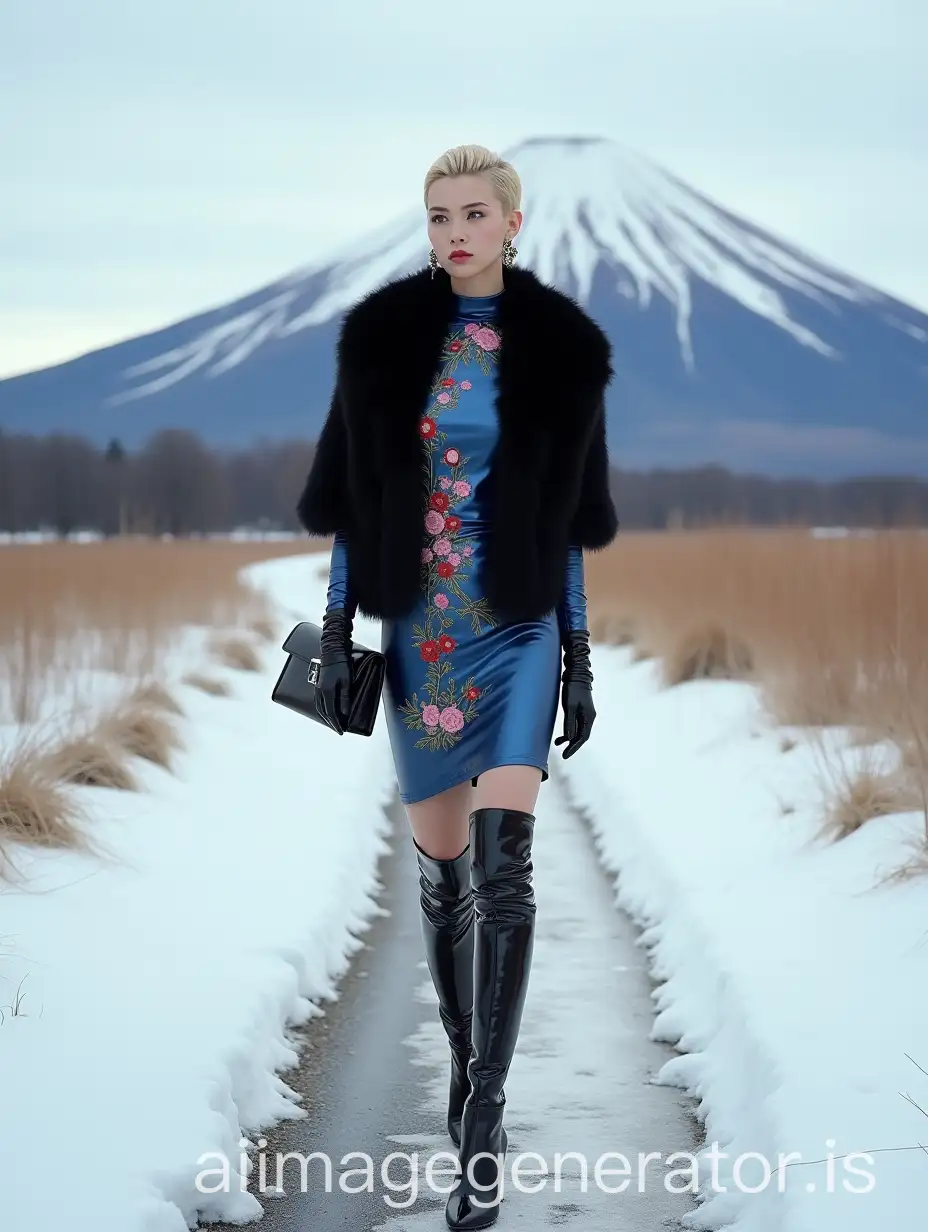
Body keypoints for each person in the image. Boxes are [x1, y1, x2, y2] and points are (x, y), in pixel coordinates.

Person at [295, 142, 618, 1229]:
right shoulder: (383, 344)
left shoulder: (562, 353)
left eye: (474, 212)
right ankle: (462, 1057)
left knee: (505, 868)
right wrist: (340, 628)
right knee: (441, 881)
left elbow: (570, 521)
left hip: (517, 629)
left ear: (513, 224)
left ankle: (481, 1117)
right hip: (422, 636)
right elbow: (352, 500)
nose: (454, 232)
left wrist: (576, 654)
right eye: (437, 216)